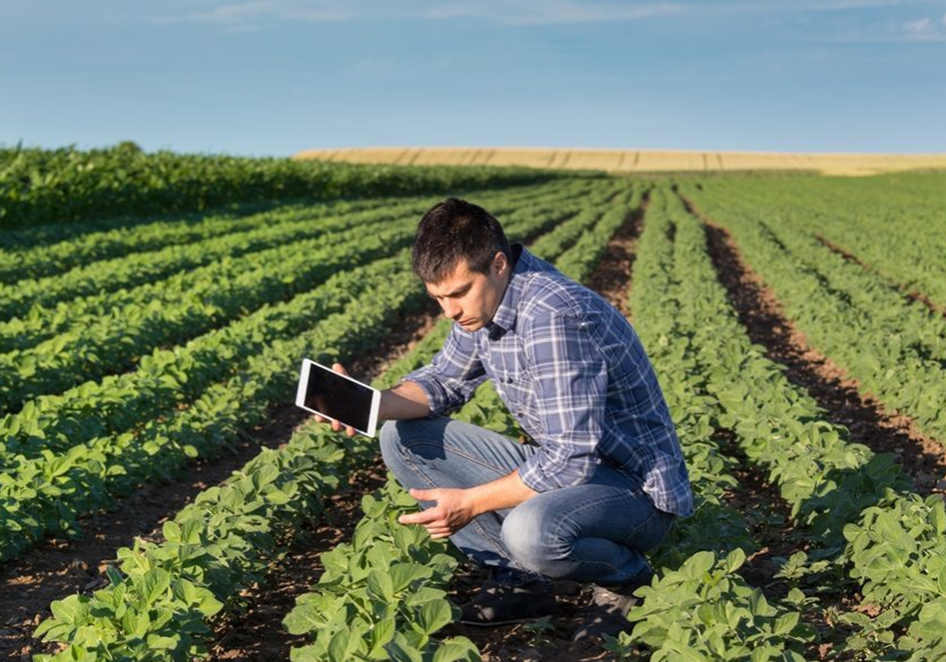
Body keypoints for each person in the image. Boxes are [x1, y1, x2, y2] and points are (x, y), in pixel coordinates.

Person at [318, 197, 693, 641]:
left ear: (498, 264)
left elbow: (571, 461)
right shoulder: (486, 304)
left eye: (458, 293)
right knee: (402, 436)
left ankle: (626, 581)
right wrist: (367, 402)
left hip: (634, 493)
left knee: (530, 530)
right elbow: (442, 381)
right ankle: (521, 582)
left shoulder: (554, 316)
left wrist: (471, 503)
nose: (451, 312)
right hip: (576, 475)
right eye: (438, 297)